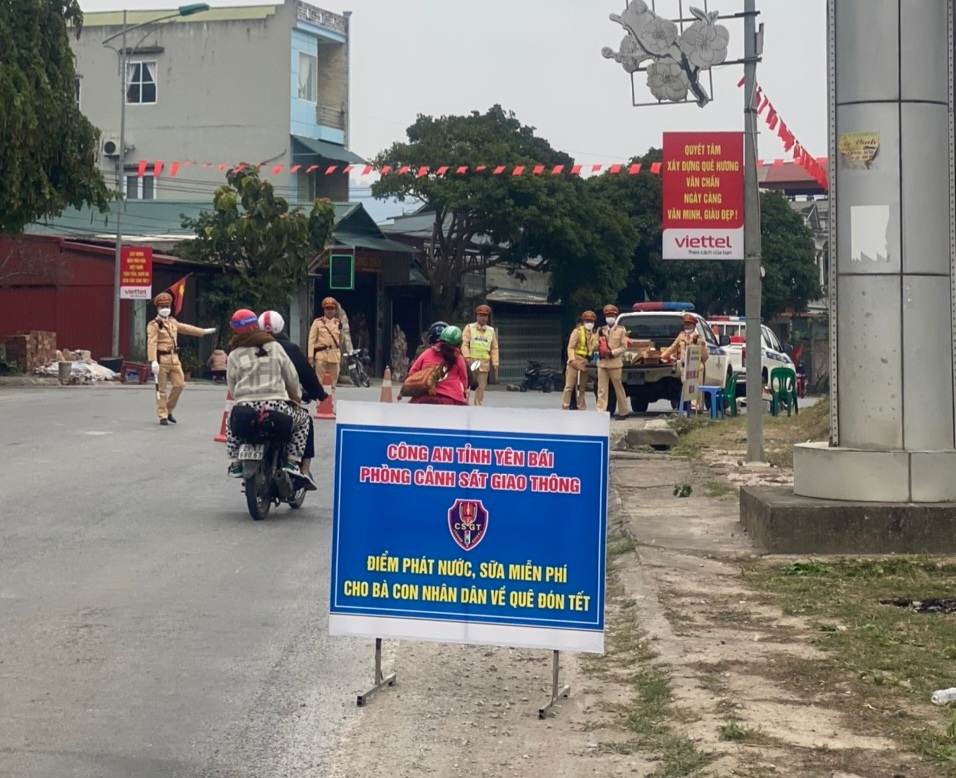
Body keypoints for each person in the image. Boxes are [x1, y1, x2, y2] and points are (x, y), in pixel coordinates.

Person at [225, 309, 315, 489]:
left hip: (245, 407)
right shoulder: (274, 347)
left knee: (231, 422)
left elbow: (232, 385)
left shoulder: (234, 354)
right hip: (276, 405)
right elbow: (291, 376)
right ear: (255, 326)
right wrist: (295, 397)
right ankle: (292, 461)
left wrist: (242, 399)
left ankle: (235, 462)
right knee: (304, 420)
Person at [258, 310, 327, 480]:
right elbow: (303, 375)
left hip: (251, 403)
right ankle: (302, 467)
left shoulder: (249, 348)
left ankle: (237, 461)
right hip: (281, 402)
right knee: (305, 420)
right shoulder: (288, 349)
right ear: (281, 326)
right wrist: (318, 393)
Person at [146, 291, 216, 425]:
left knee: (179, 385)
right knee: (161, 389)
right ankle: (163, 415)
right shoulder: (153, 324)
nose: (165, 309)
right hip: (161, 359)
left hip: (174, 358)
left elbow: (186, 328)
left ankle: (169, 410)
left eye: (167, 306)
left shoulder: (173, 322)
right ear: (158, 308)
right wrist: (153, 360)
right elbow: (152, 342)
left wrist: (202, 332)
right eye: (163, 307)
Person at [407, 325, 469, 406]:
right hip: (451, 399)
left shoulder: (427, 352)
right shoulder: (458, 358)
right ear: (459, 344)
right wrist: (464, 392)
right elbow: (464, 380)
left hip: (424, 397)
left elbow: (412, 372)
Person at [596, 304, 631, 419]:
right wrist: (598, 345)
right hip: (602, 363)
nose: (609, 317)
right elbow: (595, 345)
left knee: (618, 388)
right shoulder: (601, 330)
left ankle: (623, 412)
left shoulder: (621, 330)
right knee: (601, 389)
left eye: (611, 315)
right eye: (607, 315)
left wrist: (612, 352)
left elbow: (624, 347)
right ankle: (601, 412)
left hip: (615, 363)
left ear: (615, 316)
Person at [461, 303, 499, 406]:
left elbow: (494, 348)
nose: (483, 317)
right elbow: (464, 344)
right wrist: (467, 357)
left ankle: (478, 406)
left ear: (488, 317)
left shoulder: (491, 331)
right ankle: (464, 404)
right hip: (471, 362)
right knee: (468, 385)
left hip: (484, 363)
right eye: (481, 315)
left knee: (481, 387)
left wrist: (495, 362)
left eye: (485, 315)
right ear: (477, 316)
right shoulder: (469, 328)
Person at [562, 310, 597, 411]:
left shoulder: (594, 334)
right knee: (569, 386)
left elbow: (594, 347)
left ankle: (581, 406)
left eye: (591, 321)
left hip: (585, 361)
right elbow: (570, 347)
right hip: (575, 360)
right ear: (583, 321)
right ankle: (565, 405)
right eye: (587, 321)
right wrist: (572, 359)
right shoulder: (577, 331)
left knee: (582, 387)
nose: (589, 323)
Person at [307, 297, 343, 393]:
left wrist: (341, 355)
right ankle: (320, 400)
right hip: (321, 356)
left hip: (334, 356)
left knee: (333, 384)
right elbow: (311, 340)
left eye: (332, 308)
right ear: (324, 310)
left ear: (335, 310)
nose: (329, 311)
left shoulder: (338, 323)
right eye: (327, 308)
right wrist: (310, 356)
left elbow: (341, 340)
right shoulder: (317, 322)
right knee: (320, 382)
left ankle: (331, 400)